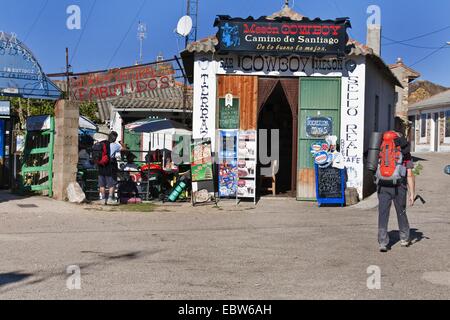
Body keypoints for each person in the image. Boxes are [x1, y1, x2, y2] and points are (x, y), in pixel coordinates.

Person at [377, 117, 416, 253]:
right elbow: (409, 174)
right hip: (399, 186)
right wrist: (412, 192)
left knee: (383, 213)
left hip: (382, 185)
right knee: (401, 211)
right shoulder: (405, 154)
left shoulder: (381, 149)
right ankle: (404, 238)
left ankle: (383, 242)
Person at [97, 131, 123, 205]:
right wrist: (121, 143)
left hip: (101, 165)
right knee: (111, 184)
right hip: (109, 165)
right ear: (114, 138)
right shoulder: (115, 145)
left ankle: (103, 199)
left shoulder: (102, 143)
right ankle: (110, 199)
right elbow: (124, 149)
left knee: (102, 184)